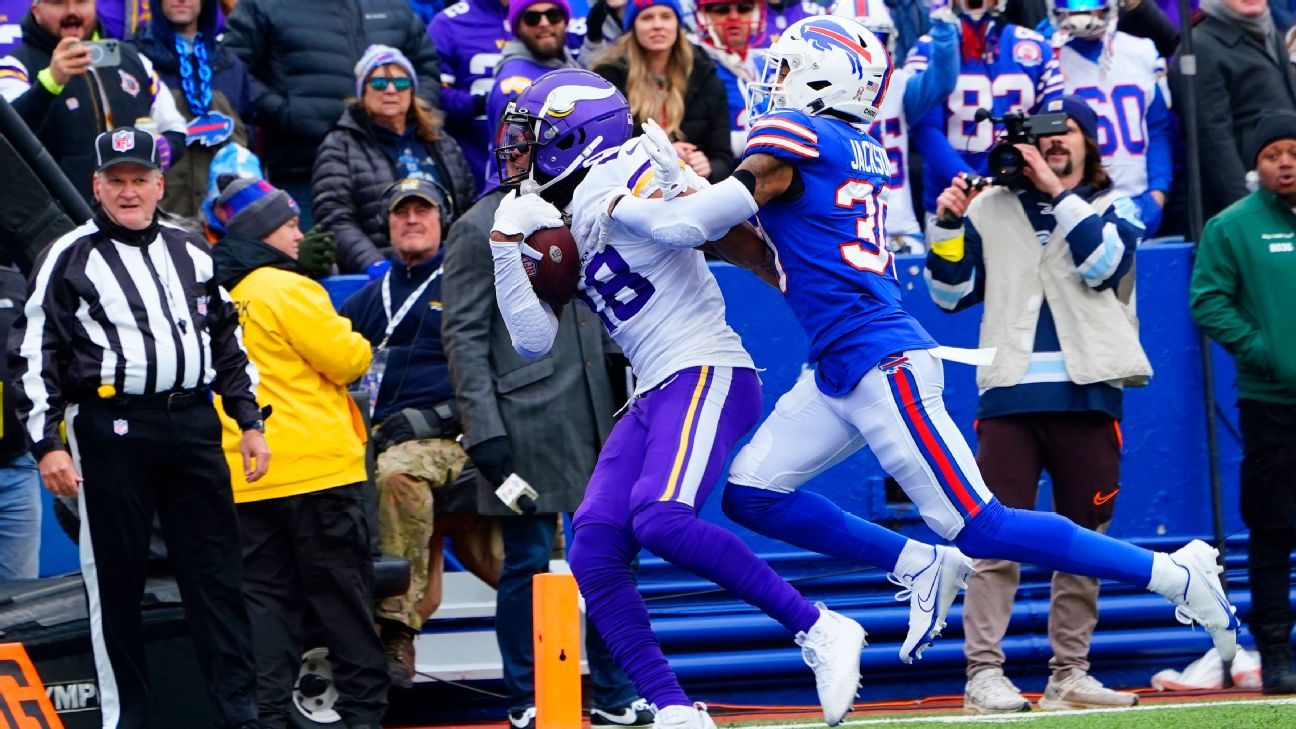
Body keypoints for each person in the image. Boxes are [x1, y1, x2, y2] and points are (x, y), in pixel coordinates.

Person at [604, 15, 1241, 675]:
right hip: (838, 363)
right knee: (752, 492)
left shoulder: (794, 135)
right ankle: (920, 564)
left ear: (824, 75)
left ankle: (1171, 570)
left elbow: (686, 228)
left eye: (789, 68)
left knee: (983, 525)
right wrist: (685, 192)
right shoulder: (849, 142)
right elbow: (761, 252)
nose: (777, 83)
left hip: (882, 359)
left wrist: (617, 205)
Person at [481, 68, 877, 729]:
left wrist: (673, 188)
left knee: (661, 518)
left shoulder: (625, 167)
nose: (519, 153)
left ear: (576, 137)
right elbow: (530, 338)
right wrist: (502, 244)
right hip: (652, 389)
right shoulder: (557, 210)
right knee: (594, 548)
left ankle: (821, 627)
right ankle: (672, 708)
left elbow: (684, 228)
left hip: (706, 370)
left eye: (535, 139)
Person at [10, 126, 267, 729]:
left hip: (194, 425)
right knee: (116, 585)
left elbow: (228, 339)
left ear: (158, 184)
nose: (129, 192)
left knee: (218, 578)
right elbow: (30, 354)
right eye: (116, 181)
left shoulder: (193, 251)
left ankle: (239, 714)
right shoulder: (68, 255)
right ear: (97, 187)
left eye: (139, 180)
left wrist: (249, 421)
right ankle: (127, 718)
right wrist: (46, 444)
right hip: (111, 429)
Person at [442, 83, 660, 727]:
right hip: (525, 420)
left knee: (613, 556)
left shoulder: (586, 203)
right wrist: (483, 432)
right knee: (529, 562)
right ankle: (527, 696)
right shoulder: (478, 225)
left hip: (600, 412)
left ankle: (619, 693)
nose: (516, 151)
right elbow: (464, 334)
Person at [924, 97, 1149, 713]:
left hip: (1091, 391)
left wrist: (1055, 189)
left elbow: (1106, 264)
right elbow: (949, 295)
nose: (1052, 142)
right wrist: (946, 226)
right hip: (1008, 396)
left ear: (1089, 142)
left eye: (1065, 130)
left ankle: (1069, 674)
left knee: (1085, 540)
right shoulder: (990, 206)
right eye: (1040, 133)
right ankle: (984, 675)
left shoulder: (1115, 204)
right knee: (994, 540)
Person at [209, 177, 390, 729]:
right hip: (318, 474)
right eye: (290, 226)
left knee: (267, 607)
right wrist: (361, 340)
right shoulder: (286, 288)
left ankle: (267, 717)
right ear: (265, 233)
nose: (299, 235)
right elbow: (348, 359)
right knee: (344, 606)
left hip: (250, 476)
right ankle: (363, 717)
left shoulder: (223, 294)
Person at [340, 177, 503, 691]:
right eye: (401, 212)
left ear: (443, 220)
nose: (411, 220)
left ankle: (394, 632)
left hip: (454, 437)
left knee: (396, 474)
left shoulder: (469, 284)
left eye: (423, 211)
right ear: (387, 223)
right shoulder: (367, 300)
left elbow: (501, 371)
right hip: (374, 438)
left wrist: (441, 416)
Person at [1190, 111, 1296, 695]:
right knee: (1273, 528)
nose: (1285, 161)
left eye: (1293, 151)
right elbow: (1208, 302)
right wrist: (1267, 352)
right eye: (1272, 153)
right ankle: (1276, 647)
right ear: (1256, 165)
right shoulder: (1233, 227)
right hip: (1271, 403)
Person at [221, 0, 441, 214]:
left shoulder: (394, 6)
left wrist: (411, 113)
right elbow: (233, 67)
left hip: (395, 166)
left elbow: (427, 69)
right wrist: (285, 114)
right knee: (314, 250)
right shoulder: (262, 5)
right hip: (303, 171)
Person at [0, 0, 187, 202]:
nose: (71, 11)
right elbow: (7, 141)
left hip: (129, 213)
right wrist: (49, 84)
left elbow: (175, 128)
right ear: (36, 11)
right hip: (56, 219)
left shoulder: (132, 59)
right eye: (58, 3)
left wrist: (163, 149)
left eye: (81, 2)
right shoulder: (15, 66)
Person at [312, 45, 474, 275]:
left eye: (400, 83)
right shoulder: (340, 145)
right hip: (381, 271)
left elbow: (466, 206)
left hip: (451, 270)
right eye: (378, 83)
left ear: (412, 90)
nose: (390, 90)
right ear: (362, 91)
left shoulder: (441, 141)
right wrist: (375, 265)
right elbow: (334, 218)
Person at [905, 0, 1063, 229]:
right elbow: (925, 128)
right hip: (953, 198)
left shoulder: (1036, 46)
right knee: (949, 262)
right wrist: (972, 182)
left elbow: (1051, 120)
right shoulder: (928, 47)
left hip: (1022, 193)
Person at [839, 0, 960, 252]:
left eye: (877, 41)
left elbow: (942, 81)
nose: (869, 56)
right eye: (859, 44)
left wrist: (942, 27)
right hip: (840, 228)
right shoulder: (815, 96)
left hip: (898, 228)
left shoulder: (898, 85)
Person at [1045, 0, 1172, 235]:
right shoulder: (1046, 56)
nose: (1082, 10)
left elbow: (1157, 130)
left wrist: (1158, 191)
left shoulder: (1142, 50)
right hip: (1074, 200)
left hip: (1138, 195)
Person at [1170, 0, 1296, 220]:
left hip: (1283, 197)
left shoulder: (1268, 32)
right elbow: (1213, 142)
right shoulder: (1199, 47)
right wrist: (1248, 210)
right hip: (1239, 207)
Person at [130, 0, 254, 220]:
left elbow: (249, 135)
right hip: (160, 217)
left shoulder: (230, 65)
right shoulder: (136, 61)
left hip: (224, 220)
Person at [592, 0, 733, 182]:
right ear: (633, 26)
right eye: (647, 17)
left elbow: (723, 157)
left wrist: (709, 167)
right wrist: (662, 153)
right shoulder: (608, 79)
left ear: (677, 24)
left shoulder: (706, 78)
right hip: (630, 192)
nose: (657, 25)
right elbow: (601, 154)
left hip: (693, 193)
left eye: (666, 17)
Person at [485, 0, 581, 132]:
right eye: (532, 18)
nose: (544, 23)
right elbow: (514, 150)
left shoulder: (569, 64)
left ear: (565, 21)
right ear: (518, 27)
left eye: (553, 15)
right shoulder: (515, 85)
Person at [692, 0, 767, 158]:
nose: (734, 17)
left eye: (744, 8)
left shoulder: (769, 63)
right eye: (722, 9)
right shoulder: (694, 66)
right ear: (704, 16)